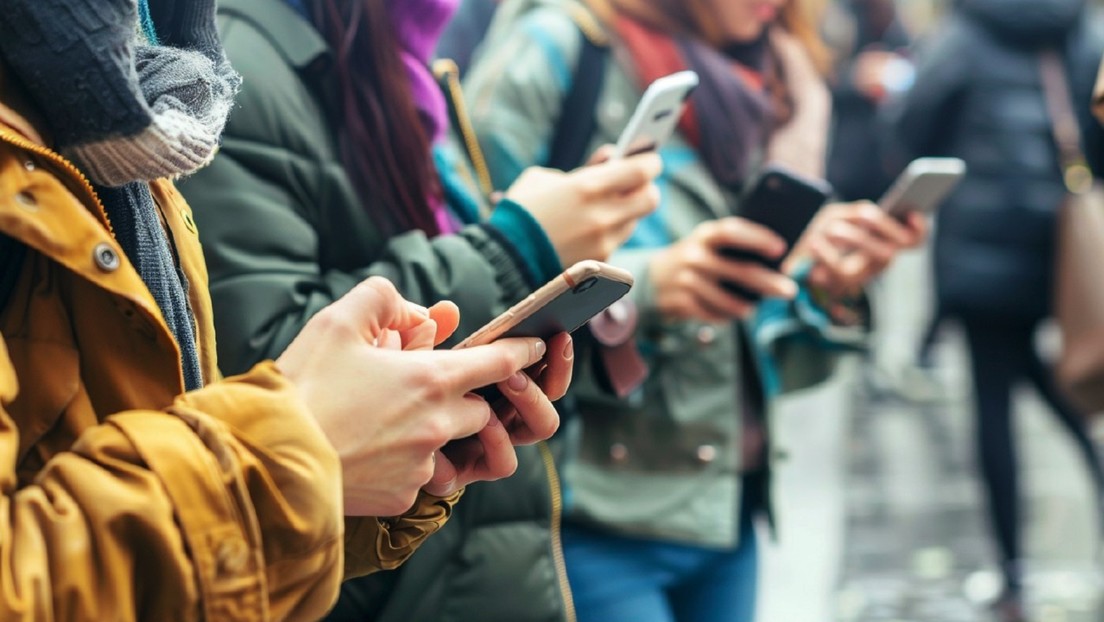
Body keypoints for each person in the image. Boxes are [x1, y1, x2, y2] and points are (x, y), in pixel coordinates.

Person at [0, 0, 572, 619]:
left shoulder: (157, 95)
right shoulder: (196, 81)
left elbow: (170, 417)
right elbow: (258, 360)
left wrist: (385, 447)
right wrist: (302, 451)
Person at [178, 0, 661, 619]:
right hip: (364, 582)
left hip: (454, 549)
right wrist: (517, 245)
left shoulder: (410, 66)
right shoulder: (241, 64)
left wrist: (548, 264)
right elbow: (264, 375)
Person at [464, 0, 928, 620]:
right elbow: (471, 272)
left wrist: (823, 281)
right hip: (591, 509)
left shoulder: (778, 77)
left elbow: (754, 324)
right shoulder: (557, 46)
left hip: (729, 503)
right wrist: (652, 286)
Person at [889, 0, 1104, 618]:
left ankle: (1012, 575)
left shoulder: (965, 32)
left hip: (980, 246)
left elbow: (912, 127)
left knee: (993, 404)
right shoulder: (1079, 28)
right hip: (1058, 248)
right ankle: (1093, 472)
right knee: (1039, 374)